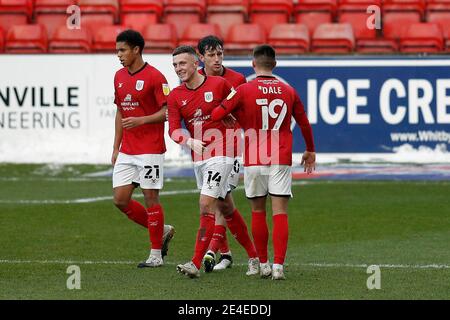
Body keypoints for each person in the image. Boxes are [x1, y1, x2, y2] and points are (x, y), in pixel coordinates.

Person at [211, 44, 316, 280]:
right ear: (275, 65)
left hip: (254, 157)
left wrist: (233, 115)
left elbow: (216, 114)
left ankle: (264, 264)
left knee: (257, 212)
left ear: (253, 64)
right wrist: (310, 149)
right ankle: (279, 267)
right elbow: (304, 123)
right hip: (280, 157)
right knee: (280, 213)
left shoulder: (243, 89)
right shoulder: (288, 90)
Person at [167, 45, 259, 278]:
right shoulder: (176, 96)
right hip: (199, 156)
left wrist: (237, 122)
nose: (179, 69)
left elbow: (240, 105)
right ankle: (254, 257)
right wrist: (188, 141)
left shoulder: (219, 84)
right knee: (225, 206)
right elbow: (173, 130)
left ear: (196, 64)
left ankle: (195, 263)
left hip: (224, 151)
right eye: (175, 65)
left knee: (206, 203)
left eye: (183, 63)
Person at [112, 29, 175, 268]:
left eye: (122, 50)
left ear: (136, 49)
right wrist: (115, 146)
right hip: (127, 149)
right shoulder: (118, 76)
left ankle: (155, 255)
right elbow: (120, 112)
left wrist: (141, 120)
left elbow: (167, 112)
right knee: (120, 200)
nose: (119, 55)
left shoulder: (155, 77)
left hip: (150, 149)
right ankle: (163, 230)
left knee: (151, 197)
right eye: (117, 50)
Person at [197, 35, 247, 272]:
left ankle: (211, 250)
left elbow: (244, 112)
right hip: (205, 147)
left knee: (218, 197)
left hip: (231, 146)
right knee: (221, 201)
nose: (217, 59)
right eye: (211, 54)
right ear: (201, 57)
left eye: (220, 54)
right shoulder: (195, 79)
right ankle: (227, 254)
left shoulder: (237, 79)